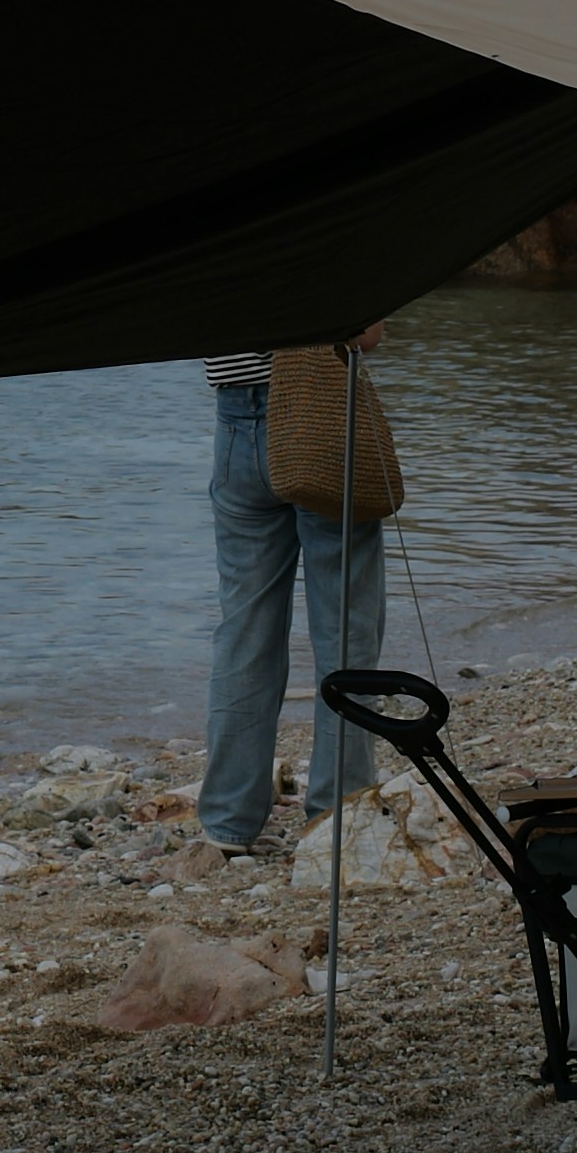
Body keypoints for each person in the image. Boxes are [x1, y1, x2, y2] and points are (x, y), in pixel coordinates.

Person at [199, 332, 391, 855]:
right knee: (345, 631)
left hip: (235, 421)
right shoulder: (304, 248)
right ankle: (337, 818)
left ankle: (227, 823)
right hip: (318, 415)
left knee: (244, 630)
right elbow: (364, 333)